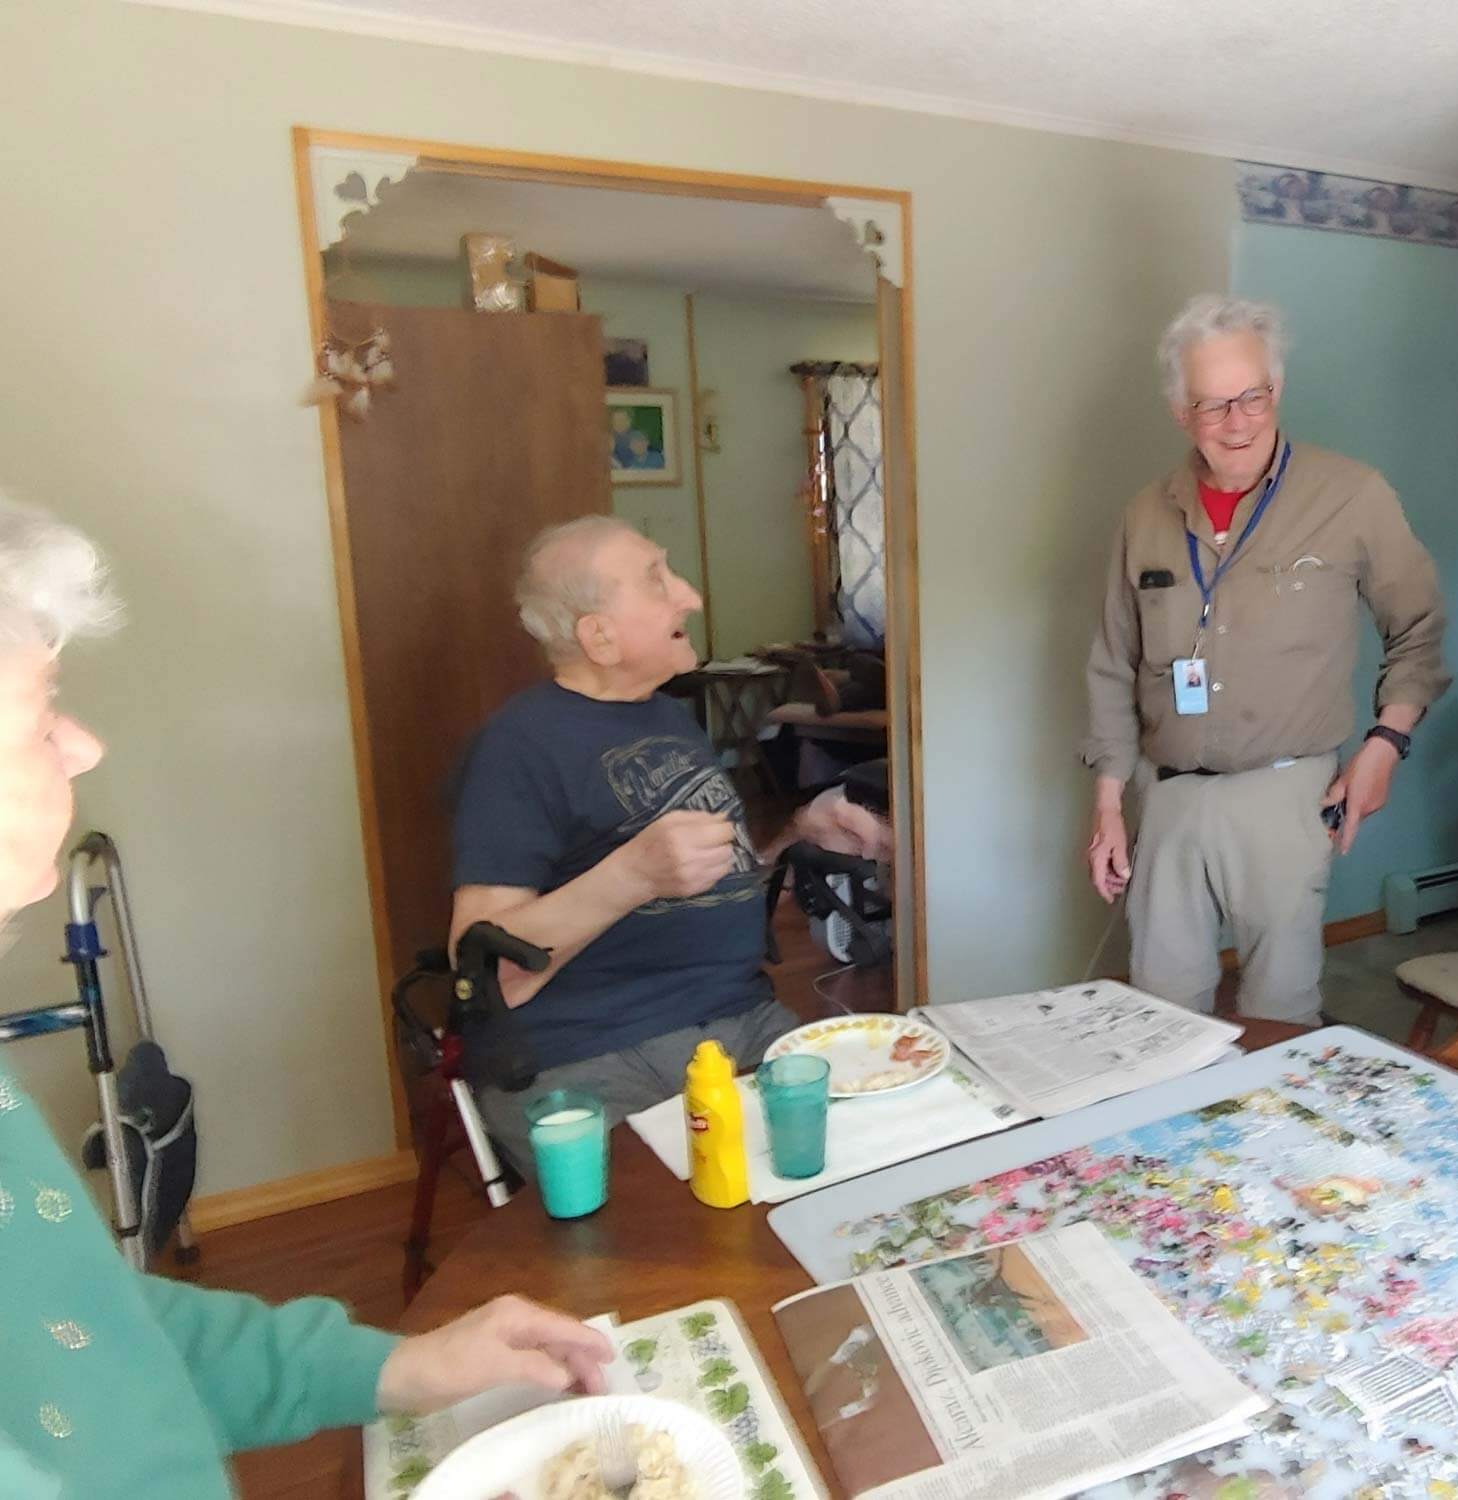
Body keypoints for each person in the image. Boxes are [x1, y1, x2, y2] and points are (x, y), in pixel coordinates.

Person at [0, 499, 613, 1496]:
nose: (82, 746)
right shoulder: (523, 746)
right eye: (39, 714)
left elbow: (90, 1331)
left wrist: (396, 1367)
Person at [451, 516, 890, 1173]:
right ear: (597, 636)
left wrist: (796, 829)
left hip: (739, 1022)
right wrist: (634, 874)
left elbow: (700, 879)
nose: (690, 595)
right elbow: (483, 973)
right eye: (658, 582)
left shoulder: (662, 716)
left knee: (880, 1153)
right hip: (593, 1051)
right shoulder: (519, 747)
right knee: (688, 1228)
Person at [1082, 294, 1450, 1021]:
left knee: (1279, 1017)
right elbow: (1112, 663)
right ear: (1181, 413)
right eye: (1212, 404)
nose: (1237, 421)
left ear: (1275, 390)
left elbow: (1419, 628)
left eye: (1251, 396)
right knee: (1160, 1017)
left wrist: (1386, 744)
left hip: (1286, 794)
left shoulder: (1351, 495)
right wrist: (1108, 806)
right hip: (1168, 798)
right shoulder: (1145, 515)